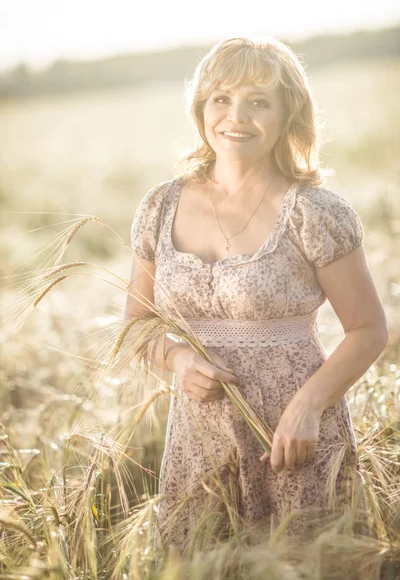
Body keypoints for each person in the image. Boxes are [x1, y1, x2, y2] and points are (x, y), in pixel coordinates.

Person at [124, 36, 387, 555]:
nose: (235, 116)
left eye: (258, 101)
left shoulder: (315, 212)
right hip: (199, 438)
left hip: (294, 439)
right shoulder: (160, 206)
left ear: (289, 113)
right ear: (200, 108)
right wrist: (177, 360)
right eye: (221, 98)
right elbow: (137, 324)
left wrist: (309, 406)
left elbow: (368, 329)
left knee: (303, 560)